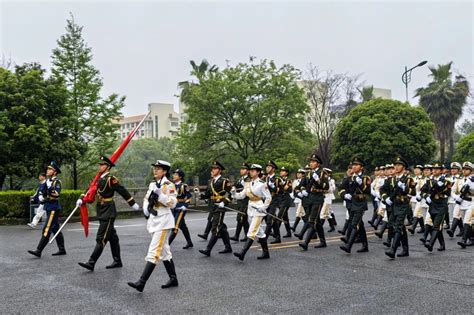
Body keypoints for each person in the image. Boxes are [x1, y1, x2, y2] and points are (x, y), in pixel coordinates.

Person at [78, 156, 139, 271]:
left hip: (109, 211)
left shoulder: (111, 179)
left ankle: (91, 262)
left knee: (101, 238)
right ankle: (117, 261)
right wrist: (82, 198)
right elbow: (90, 189)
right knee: (113, 237)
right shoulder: (98, 179)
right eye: (100, 165)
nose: (100, 166)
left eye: (102, 165)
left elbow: (122, 190)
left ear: (108, 167)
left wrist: (132, 203)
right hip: (101, 209)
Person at [128, 160, 178, 291]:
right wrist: (145, 208)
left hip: (163, 221)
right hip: (154, 220)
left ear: (165, 171)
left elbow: (173, 203)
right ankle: (173, 279)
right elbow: (146, 198)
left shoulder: (169, 185)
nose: (155, 170)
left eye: (158, 168)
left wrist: (161, 195)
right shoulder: (152, 184)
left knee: (154, 251)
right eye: (154, 168)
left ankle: (141, 282)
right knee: (165, 252)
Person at [232, 164, 272, 260]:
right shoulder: (248, 183)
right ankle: (266, 253)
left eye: (254, 170)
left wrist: (263, 207)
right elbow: (241, 196)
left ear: (258, 172)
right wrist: (233, 193)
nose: (251, 172)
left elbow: (268, 197)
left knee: (252, 231)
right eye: (250, 170)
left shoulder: (262, 183)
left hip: (259, 208)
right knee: (260, 233)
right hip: (251, 208)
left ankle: (242, 253)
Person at [27, 161, 66, 257]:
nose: (47, 170)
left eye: (50, 169)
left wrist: (47, 194)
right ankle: (62, 249)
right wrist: (39, 197)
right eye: (48, 169)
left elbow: (56, 194)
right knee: (56, 229)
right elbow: (41, 192)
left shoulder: (57, 182)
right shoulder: (46, 182)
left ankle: (38, 250)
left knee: (47, 228)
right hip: (48, 207)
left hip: (53, 208)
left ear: (55, 172)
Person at [381, 157, 415, 259]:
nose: (396, 167)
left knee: (398, 226)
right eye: (395, 165)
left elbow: (413, 192)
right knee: (394, 225)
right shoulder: (391, 179)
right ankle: (405, 249)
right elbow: (383, 189)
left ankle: (393, 250)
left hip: (403, 205)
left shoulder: (408, 179)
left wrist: (405, 188)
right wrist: (386, 198)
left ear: (404, 168)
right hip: (393, 205)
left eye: (399, 165)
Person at [197, 161, 233, 256]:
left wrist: (224, 202)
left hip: (220, 207)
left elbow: (230, 194)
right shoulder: (211, 181)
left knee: (216, 228)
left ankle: (208, 249)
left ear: (219, 170)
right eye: (212, 168)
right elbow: (208, 194)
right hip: (213, 206)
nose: (212, 170)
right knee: (222, 227)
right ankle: (228, 247)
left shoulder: (224, 181)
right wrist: (201, 196)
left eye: (215, 168)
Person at [339, 157, 371, 254]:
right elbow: (340, 188)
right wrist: (345, 194)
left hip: (360, 203)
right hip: (352, 203)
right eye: (353, 165)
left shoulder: (365, 178)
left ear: (361, 167)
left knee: (354, 224)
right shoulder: (350, 178)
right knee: (359, 225)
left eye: (356, 165)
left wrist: (361, 184)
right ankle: (365, 245)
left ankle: (349, 245)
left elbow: (368, 192)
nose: (354, 167)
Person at [298, 154, 329, 251]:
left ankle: (306, 243)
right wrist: (303, 190)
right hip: (310, 198)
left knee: (312, 221)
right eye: (310, 161)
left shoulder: (322, 173)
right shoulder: (308, 173)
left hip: (318, 198)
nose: (311, 163)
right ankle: (323, 242)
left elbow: (326, 186)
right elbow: (302, 184)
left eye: (313, 161)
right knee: (317, 222)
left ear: (318, 164)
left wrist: (317, 180)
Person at [420, 162, 452, 252]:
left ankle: (430, 243)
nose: (434, 170)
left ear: (441, 171)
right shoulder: (429, 181)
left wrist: (442, 186)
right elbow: (423, 191)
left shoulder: (446, 181)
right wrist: (427, 197)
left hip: (441, 205)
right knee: (436, 227)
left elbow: (448, 193)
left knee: (436, 226)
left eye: (437, 169)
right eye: (433, 169)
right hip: (432, 204)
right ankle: (442, 245)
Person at [168, 168, 193, 249]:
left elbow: (189, 197)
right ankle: (189, 242)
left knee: (175, 227)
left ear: (180, 177)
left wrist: (185, 206)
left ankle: (166, 245)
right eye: (174, 174)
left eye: (176, 174)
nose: (173, 176)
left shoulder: (184, 186)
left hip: (180, 208)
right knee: (183, 226)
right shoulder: (171, 185)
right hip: (173, 208)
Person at [230, 163, 250, 242]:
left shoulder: (248, 179)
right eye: (241, 169)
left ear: (248, 171)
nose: (241, 170)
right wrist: (234, 188)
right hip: (240, 201)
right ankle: (247, 236)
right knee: (244, 219)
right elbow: (234, 185)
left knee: (240, 218)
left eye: (244, 169)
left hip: (246, 201)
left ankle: (237, 235)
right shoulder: (240, 179)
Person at [276, 166, 293, 238]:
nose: (281, 172)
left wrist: (286, 188)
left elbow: (290, 191)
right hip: (280, 200)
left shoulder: (288, 181)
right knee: (285, 217)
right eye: (281, 171)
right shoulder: (279, 180)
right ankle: (289, 232)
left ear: (286, 173)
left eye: (283, 171)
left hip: (286, 200)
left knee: (279, 216)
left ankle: (276, 233)